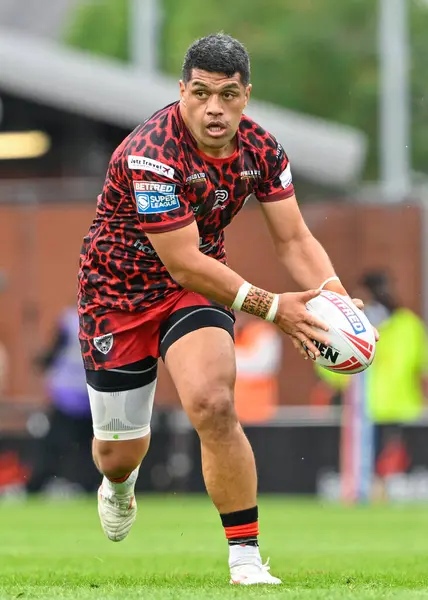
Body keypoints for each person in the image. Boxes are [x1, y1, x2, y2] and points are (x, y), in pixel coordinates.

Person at [78, 33, 363, 585]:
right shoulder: (151, 152)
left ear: (246, 96)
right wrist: (272, 306)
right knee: (117, 455)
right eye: (202, 93)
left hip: (197, 290)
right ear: (181, 90)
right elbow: (182, 260)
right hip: (116, 295)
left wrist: (333, 295)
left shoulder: (263, 148)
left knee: (212, 402)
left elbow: (294, 238)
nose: (214, 108)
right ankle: (118, 486)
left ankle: (246, 560)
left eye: (228, 95)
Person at [314, 270, 428, 501]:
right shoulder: (356, 328)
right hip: (367, 414)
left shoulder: (407, 325)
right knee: (370, 475)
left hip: (397, 411)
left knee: (393, 474)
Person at [27, 306, 93, 494]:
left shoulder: (69, 321)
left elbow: (54, 353)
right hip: (91, 396)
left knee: (53, 446)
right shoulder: (104, 319)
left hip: (68, 396)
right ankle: (87, 485)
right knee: (88, 449)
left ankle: (38, 484)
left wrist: (41, 362)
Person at [234, 312, 282, 424]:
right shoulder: (229, 332)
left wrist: (227, 358)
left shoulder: (264, 332)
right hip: (231, 414)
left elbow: (263, 366)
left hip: (260, 414)